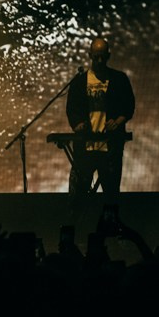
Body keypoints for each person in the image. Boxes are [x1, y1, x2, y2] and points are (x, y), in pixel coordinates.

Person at [65, 37, 135, 197]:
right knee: (78, 194)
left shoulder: (119, 79)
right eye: (96, 56)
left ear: (108, 56)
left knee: (111, 193)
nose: (99, 60)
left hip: (110, 146)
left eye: (102, 56)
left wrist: (118, 121)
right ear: (90, 55)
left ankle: (109, 220)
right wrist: (77, 124)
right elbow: (71, 109)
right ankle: (78, 221)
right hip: (85, 146)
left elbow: (129, 106)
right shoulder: (79, 82)